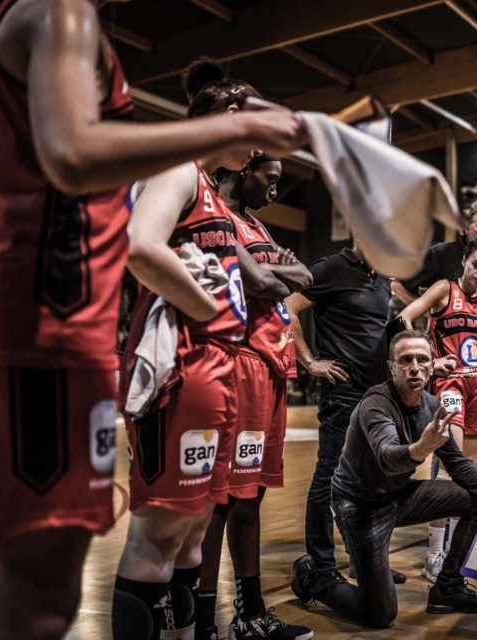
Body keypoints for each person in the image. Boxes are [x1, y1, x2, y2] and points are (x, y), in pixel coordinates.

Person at [0, 2, 304, 637]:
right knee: (41, 589)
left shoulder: (63, 28)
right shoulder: (59, 11)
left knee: (154, 547)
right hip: (39, 320)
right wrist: (206, 307)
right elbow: (79, 158)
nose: (258, 150)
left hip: (50, 318)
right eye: (251, 131)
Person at [114, 59, 305, 640]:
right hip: (185, 362)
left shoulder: (214, 195)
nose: (255, 154)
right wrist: (202, 304)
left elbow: (271, 278)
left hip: (220, 365)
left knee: (196, 530)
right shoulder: (175, 167)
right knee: (159, 532)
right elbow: (138, 246)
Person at [290, 330, 477, 628]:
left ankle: (447, 589)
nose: (414, 367)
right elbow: (387, 456)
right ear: (391, 367)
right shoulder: (376, 403)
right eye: (406, 360)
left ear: (432, 364)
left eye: (422, 360)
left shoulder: (432, 405)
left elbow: (457, 462)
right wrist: (422, 448)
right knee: (380, 615)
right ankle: (315, 579)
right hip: (359, 506)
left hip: (398, 496)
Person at [194, 154, 313, 640]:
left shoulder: (256, 226)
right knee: (221, 499)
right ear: (243, 169)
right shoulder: (219, 221)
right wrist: (281, 277)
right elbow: (268, 283)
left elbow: (305, 279)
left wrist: (284, 277)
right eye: (270, 177)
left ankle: (249, 613)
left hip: (272, 369)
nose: (275, 189)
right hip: (238, 367)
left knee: (253, 496)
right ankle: (201, 619)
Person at [285, 243, 409, 592]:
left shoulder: (383, 277)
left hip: (376, 395)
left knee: (370, 482)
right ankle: (322, 566)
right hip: (342, 393)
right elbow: (288, 308)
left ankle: (364, 562)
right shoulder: (331, 267)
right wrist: (309, 362)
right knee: (329, 477)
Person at [398, 239, 477, 580]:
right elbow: (405, 316)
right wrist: (429, 358)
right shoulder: (445, 289)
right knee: (450, 469)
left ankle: (455, 552)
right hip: (450, 384)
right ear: (464, 260)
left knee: (471, 473)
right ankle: (434, 552)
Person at [394, 197, 477, 478]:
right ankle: (440, 520)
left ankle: (472, 517)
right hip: (450, 378)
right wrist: (425, 350)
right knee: (447, 453)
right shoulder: (442, 262)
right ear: (467, 228)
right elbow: (399, 290)